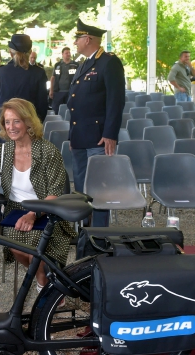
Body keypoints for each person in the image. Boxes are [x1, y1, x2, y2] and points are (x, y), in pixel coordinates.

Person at [0, 98, 75, 289]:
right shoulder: (3, 151)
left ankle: (43, 283)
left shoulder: (48, 151)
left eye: (16, 121)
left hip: (46, 209)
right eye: (7, 122)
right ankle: (45, 277)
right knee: (16, 244)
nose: (11, 127)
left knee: (36, 246)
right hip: (14, 210)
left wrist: (33, 214)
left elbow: (55, 192)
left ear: (28, 122)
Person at [68, 18, 125, 227]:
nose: (75, 42)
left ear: (88, 38)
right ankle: (85, 231)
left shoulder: (109, 62)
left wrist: (110, 134)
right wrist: (72, 136)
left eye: (78, 38)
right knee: (81, 188)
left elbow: (116, 101)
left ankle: (100, 234)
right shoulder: (84, 63)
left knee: (100, 189)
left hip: (99, 138)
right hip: (81, 137)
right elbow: (75, 103)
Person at [0, 34, 48, 153]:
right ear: (30, 52)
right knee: (28, 171)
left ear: (11, 52)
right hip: (28, 131)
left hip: (2, 131)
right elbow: (42, 107)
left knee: (0, 171)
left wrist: (4, 120)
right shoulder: (38, 73)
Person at [49, 47, 79, 114]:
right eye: (66, 53)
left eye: (69, 53)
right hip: (58, 92)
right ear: (62, 54)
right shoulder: (57, 65)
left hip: (71, 92)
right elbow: (53, 78)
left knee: (70, 110)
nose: (68, 54)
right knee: (56, 110)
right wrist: (51, 90)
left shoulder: (75, 65)